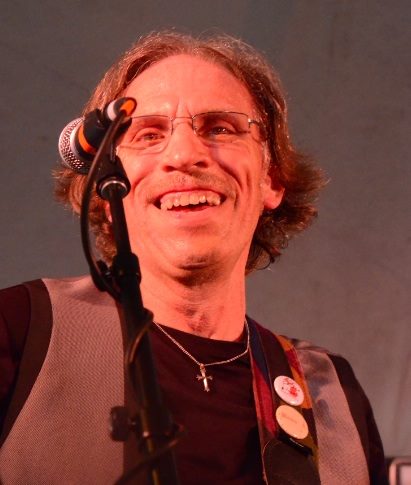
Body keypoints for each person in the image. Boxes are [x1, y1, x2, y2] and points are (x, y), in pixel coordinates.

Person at [0, 31, 387, 484]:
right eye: (148, 134)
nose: (184, 154)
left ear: (272, 180)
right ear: (105, 193)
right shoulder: (19, 331)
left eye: (220, 128)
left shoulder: (332, 394)